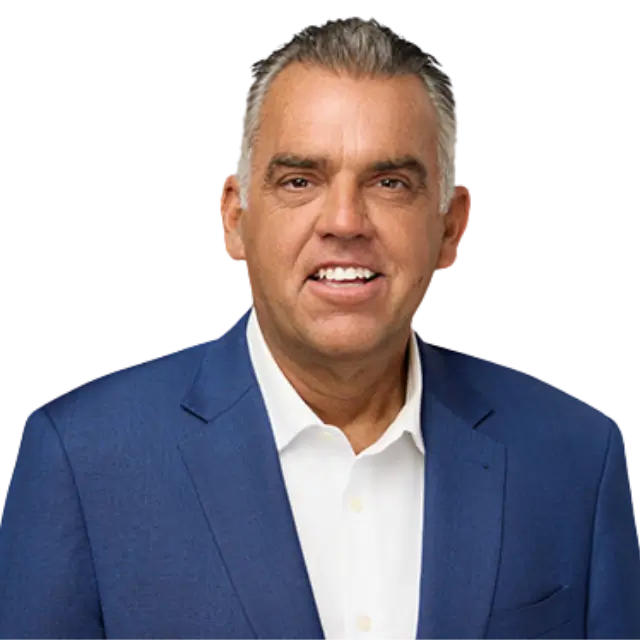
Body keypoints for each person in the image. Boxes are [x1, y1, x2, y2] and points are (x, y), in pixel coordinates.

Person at [1, 17, 638, 640]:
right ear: (234, 219)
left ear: (449, 227)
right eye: (300, 180)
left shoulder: (577, 460)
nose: (345, 220)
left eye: (390, 182)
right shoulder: (83, 462)